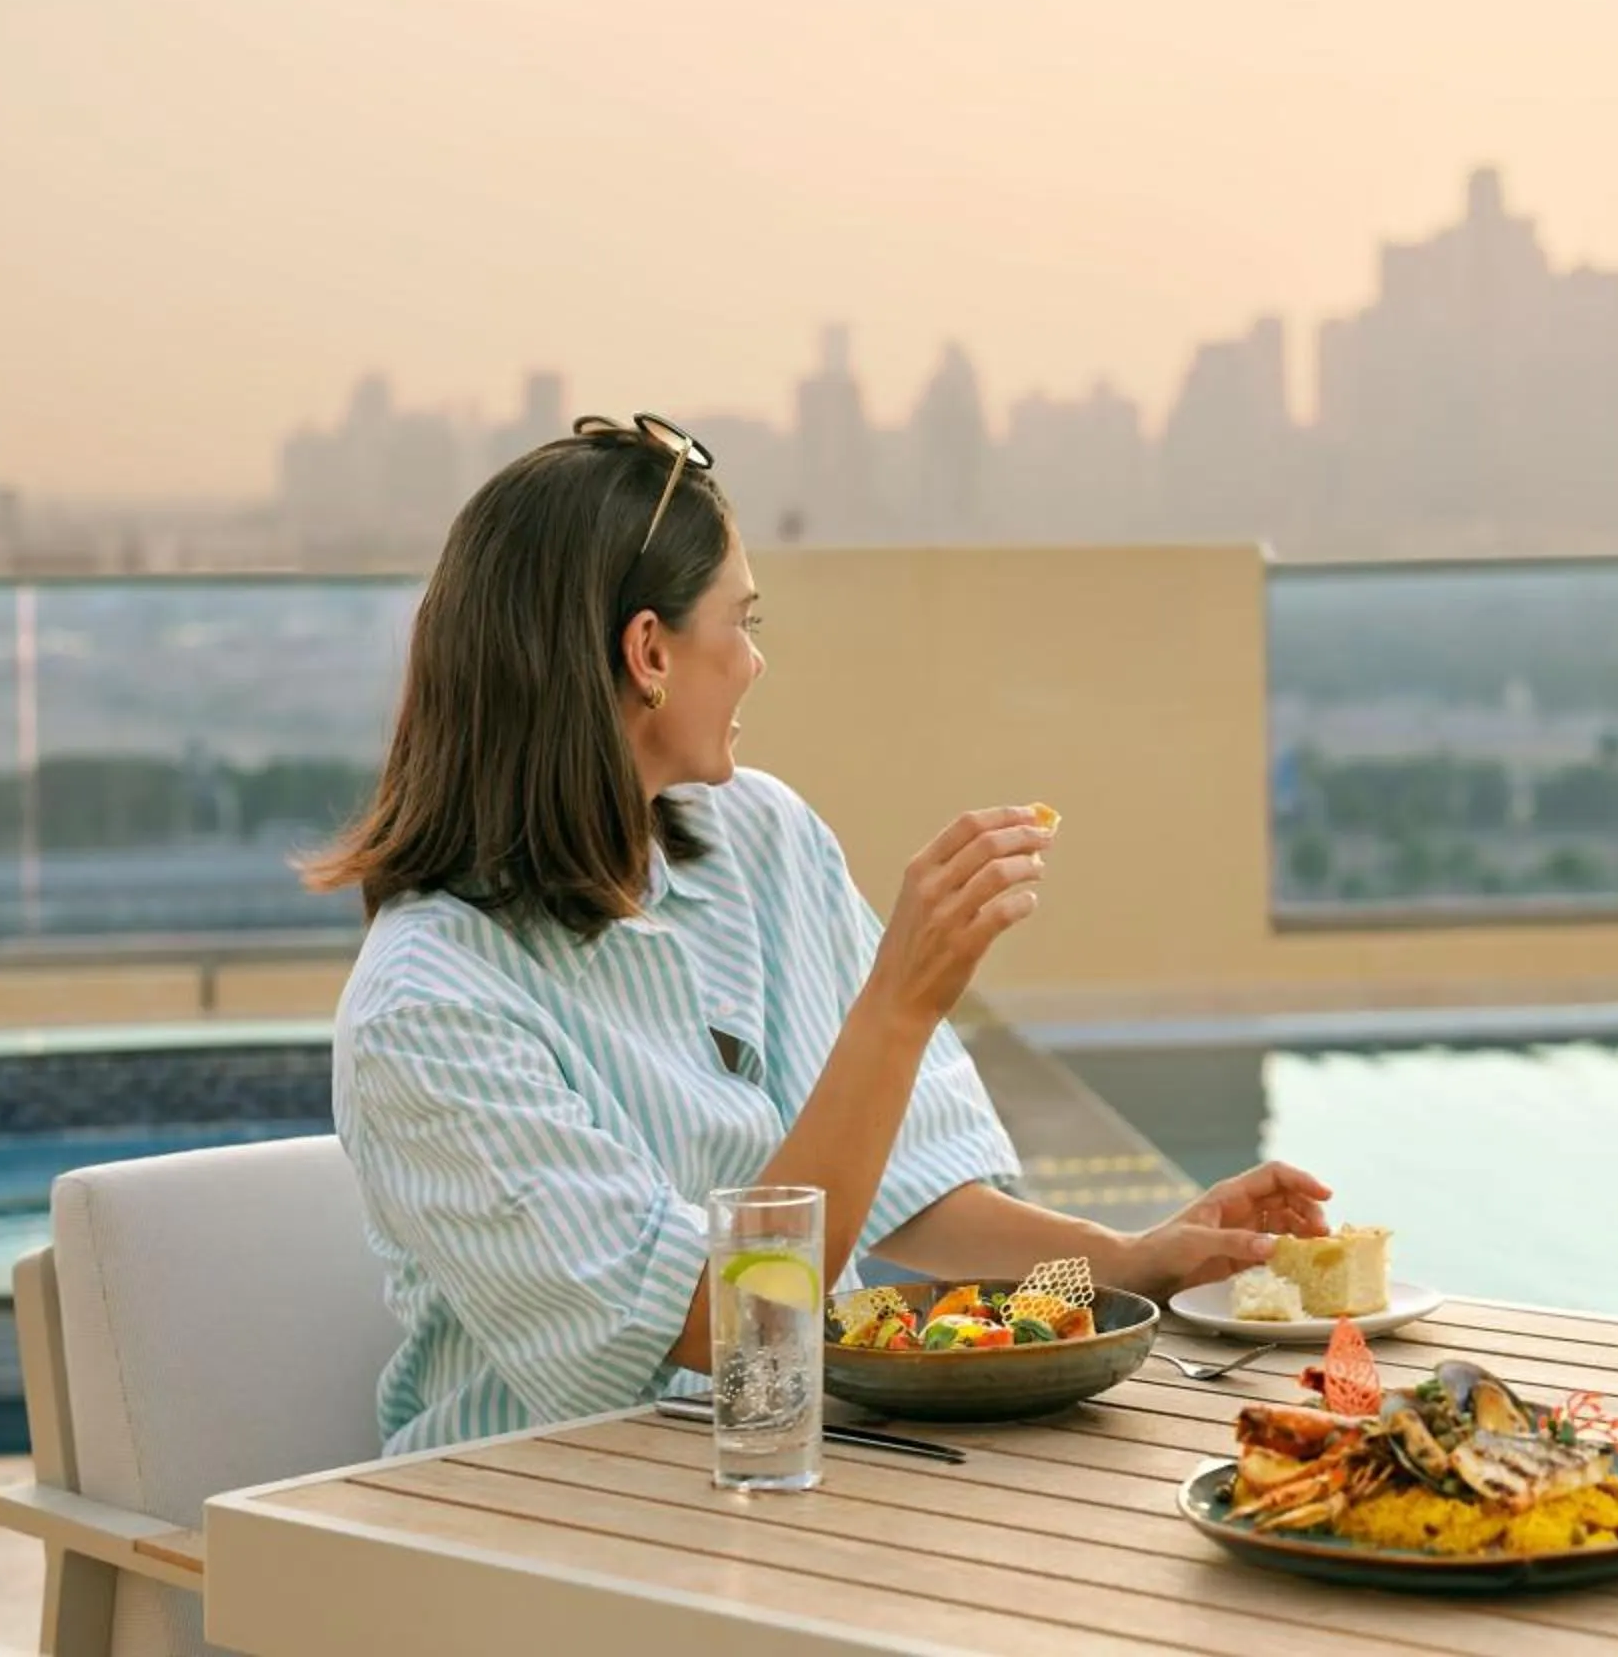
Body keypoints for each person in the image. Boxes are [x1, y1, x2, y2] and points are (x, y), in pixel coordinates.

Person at [310, 413, 1330, 1454]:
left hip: (795, 1477)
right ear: (649, 650)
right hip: (528, 1531)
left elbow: (917, 1207)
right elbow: (729, 1323)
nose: (755, 662)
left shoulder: (759, 839)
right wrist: (899, 1003)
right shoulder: (427, 1008)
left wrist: (1135, 1260)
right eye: (741, 622)